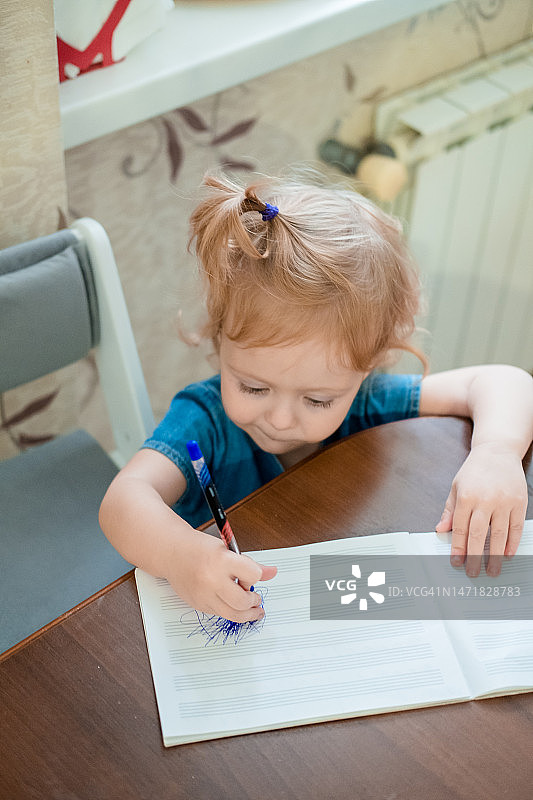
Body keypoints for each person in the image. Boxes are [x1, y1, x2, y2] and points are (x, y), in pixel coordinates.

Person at [99, 171, 533, 624]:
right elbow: (124, 499)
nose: (282, 419)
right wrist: (180, 554)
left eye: (319, 400)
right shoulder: (204, 419)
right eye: (254, 386)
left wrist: (496, 453)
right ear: (220, 340)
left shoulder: (365, 402)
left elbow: (505, 381)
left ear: (367, 368)